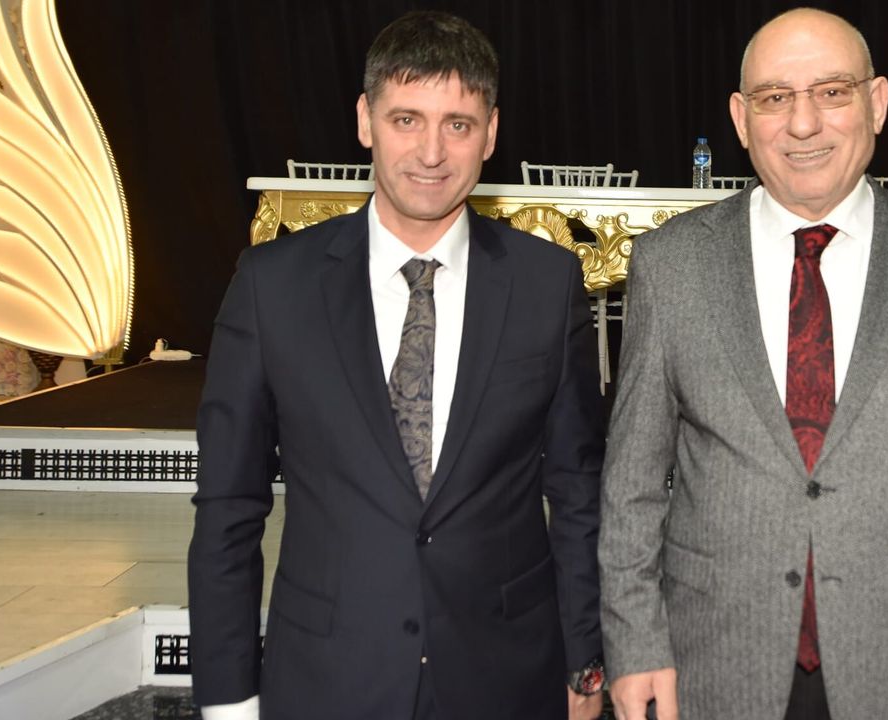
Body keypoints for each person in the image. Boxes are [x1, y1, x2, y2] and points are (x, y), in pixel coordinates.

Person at [599, 8, 888, 720]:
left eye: (832, 92)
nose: (803, 124)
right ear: (741, 120)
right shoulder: (672, 265)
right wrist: (635, 645)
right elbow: (631, 486)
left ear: (877, 102)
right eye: (775, 97)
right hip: (714, 664)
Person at [187, 11, 605, 720]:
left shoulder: (546, 283)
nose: (431, 152)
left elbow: (578, 491)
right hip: (327, 679)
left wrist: (586, 661)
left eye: (458, 124)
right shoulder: (272, 286)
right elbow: (229, 506)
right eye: (406, 119)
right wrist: (228, 699)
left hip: (508, 679)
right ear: (365, 121)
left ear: (491, 133)